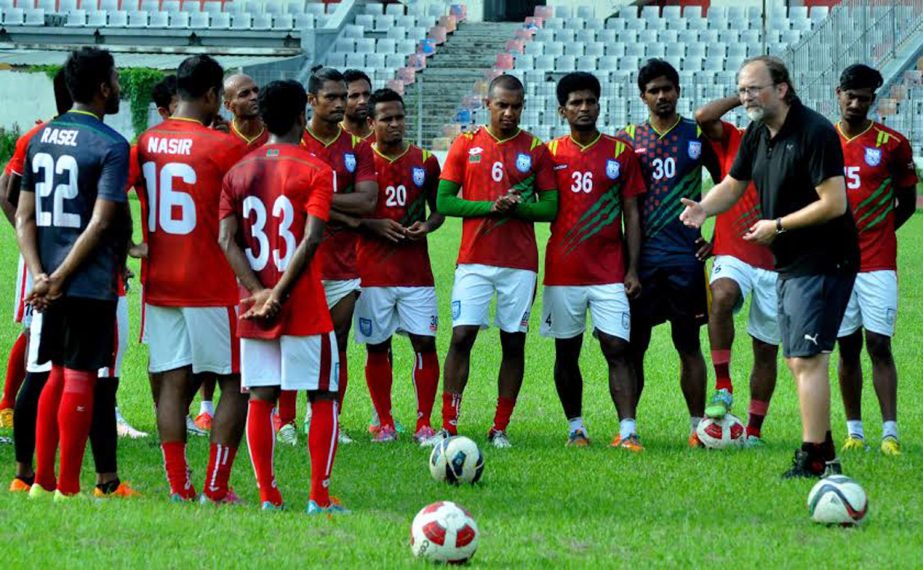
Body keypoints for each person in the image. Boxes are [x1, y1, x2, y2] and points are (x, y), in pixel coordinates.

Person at [680, 55, 858, 478]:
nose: (745, 98)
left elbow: (835, 204)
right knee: (800, 359)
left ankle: (816, 456)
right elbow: (734, 184)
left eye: (753, 89)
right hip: (793, 262)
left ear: (781, 89)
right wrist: (704, 208)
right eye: (741, 90)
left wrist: (777, 225)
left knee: (807, 358)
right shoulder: (759, 133)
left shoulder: (815, 132)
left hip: (826, 258)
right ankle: (823, 450)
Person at [219, 79, 345, 514]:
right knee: (323, 394)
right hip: (304, 302)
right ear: (300, 117)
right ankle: (319, 497)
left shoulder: (238, 170)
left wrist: (258, 292)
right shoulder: (315, 169)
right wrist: (280, 293)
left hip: (254, 306)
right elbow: (310, 240)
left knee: (261, 396)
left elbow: (225, 238)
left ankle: (268, 496)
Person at [134, 55, 250, 502]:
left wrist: (133, 245)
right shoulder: (225, 147)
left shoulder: (145, 142)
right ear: (209, 95)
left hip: (161, 279)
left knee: (173, 379)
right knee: (235, 381)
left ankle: (179, 486)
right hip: (212, 282)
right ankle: (216, 487)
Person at [17, 47, 131, 500]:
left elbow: (24, 214)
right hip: (86, 280)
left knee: (55, 373)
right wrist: (62, 276)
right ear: (103, 87)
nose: (119, 86)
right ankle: (67, 487)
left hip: (48, 277)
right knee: (81, 376)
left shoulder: (40, 136)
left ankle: (41, 484)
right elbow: (101, 220)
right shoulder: (110, 144)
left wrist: (40, 274)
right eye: (116, 78)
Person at [435, 74, 558, 448]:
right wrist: (491, 207)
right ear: (487, 104)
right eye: (502, 105)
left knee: (513, 341)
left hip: (519, 264)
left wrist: (518, 209)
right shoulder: (466, 144)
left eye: (516, 106)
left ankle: (499, 427)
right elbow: (443, 201)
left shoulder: (536, 149)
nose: (509, 112)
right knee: (461, 336)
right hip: (474, 260)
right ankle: (449, 424)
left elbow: (551, 207)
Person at [618, 59, 722, 447]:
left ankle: (697, 428)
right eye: (654, 90)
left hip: (686, 258)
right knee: (633, 346)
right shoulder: (627, 139)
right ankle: (628, 429)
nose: (662, 96)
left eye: (668, 88)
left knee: (688, 343)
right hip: (641, 261)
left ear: (678, 90)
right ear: (642, 95)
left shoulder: (698, 135)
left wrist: (718, 239)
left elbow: (730, 183)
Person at [542, 72, 645, 450]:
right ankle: (576, 428)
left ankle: (629, 430)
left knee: (618, 348)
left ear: (599, 105)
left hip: (609, 272)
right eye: (576, 103)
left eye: (590, 101)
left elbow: (632, 213)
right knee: (566, 351)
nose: (584, 108)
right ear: (562, 110)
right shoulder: (549, 154)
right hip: (563, 272)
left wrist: (632, 268)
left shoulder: (620, 153)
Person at [351, 88, 443, 445]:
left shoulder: (424, 160)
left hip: (416, 271)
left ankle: (424, 424)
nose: (395, 124)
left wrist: (428, 225)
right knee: (377, 345)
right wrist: (373, 226)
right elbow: (344, 214)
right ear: (371, 122)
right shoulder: (360, 160)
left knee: (425, 342)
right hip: (372, 272)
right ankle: (385, 423)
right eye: (386, 119)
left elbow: (438, 209)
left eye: (399, 117)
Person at [834, 64, 917, 456]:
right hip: (835, 264)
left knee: (879, 344)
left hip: (877, 262)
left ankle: (890, 433)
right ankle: (855, 432)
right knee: (846, 347)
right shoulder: (822, 140)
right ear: (838, 94)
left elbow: (907, 202)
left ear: (873, 100)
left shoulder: (892, 143)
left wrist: (879, 230)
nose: (855, 104)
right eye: (850, 96)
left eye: (864, 98)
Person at [296, 66, 378, 445]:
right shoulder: (296, 142)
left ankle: (327, 418)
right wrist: (341, 212)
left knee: (337, 342)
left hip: (343, 263)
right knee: (294, 341)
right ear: (312, 100)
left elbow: (367, 200)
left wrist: (315, 200)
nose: (340, 104)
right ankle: (284, 420)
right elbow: (286, 199)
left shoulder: (357, 147)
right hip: (300, 260)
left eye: (343, 97)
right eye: (331, 97)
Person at [694, 95, 780, 447]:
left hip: (777, 261)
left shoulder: (798, 146)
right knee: (723, 295)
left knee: (766, 349)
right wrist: (745, 95)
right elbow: (703, 116)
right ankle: (723, 384)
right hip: (734, 252)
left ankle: (755, 430)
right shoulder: (734, 137)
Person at [224, 73, 269, 150]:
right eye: (244, 94)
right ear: (228, 105)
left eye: (256, 91)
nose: (254, 97)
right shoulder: (222, 135)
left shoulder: (276, 134)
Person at [341, 69, 374, 141]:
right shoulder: (330, 136)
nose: (363, 101)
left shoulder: (383, 138)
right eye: (354, 96)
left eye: (366, 94)